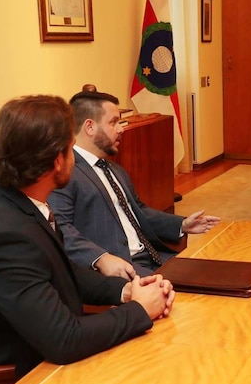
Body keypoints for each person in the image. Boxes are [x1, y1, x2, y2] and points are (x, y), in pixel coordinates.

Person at [0, 95, 176, 377]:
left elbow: (62, 269)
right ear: (56, 161)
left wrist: (125, 291)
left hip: (38, 352)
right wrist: (139, 310)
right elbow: (64, 340)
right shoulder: (1, 236)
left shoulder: (15, 196)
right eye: (72, 149)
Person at [48, 86, 220, 279]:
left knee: (219, 271)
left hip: (155, 258)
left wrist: (182, 224)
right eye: (114, 122)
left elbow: (139, 211)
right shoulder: (65, 173)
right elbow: (60, 229)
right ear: (90, 127)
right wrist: (100, 258)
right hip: (120, 269)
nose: (121, 129)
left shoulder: (114, 169)